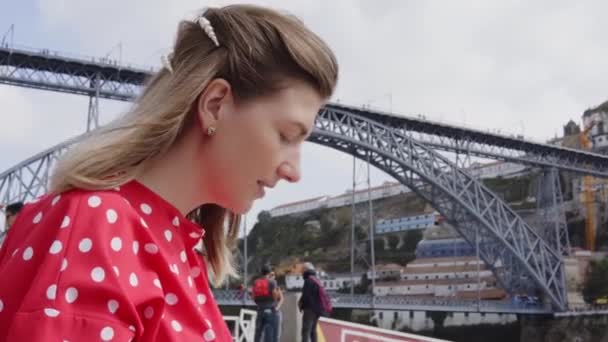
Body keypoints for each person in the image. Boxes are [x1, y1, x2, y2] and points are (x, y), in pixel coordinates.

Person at [0, 4, 338, 341]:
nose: (295, 172)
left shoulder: (165, 246)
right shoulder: (98, 225)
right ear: (215, 104)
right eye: (287, 136)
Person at [252, 264, 283, 342]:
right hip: (271, 310)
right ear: (269, 273)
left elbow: (253, 296)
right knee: (273, 334)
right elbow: (275, 296)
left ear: (261, 272)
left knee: (258, 333)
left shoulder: (256, 282)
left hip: (260, 310)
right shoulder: (272, 282)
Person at [299, 262, 324, 342]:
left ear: (306, 269)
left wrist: (301, 305)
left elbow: (306, 296)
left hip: (309, 309)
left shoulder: (308, 280)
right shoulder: (316, 279)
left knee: (306, 331)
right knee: (313, 330)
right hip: (317, 309)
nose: (301, 271)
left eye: (302, 269)